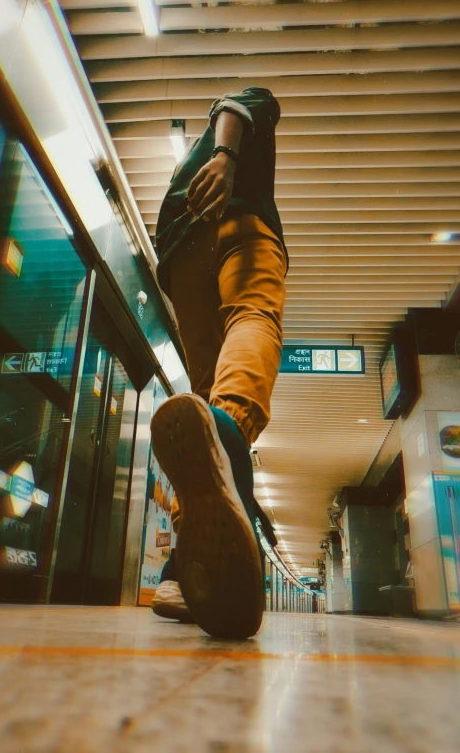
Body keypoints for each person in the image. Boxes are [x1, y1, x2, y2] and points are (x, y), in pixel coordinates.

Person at [150, 87, 287, 638]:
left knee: (205, 392)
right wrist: (228, 157)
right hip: (240, 227)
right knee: (253, 318)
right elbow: (246, 100)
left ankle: (182, 568)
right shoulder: (222, 147)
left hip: (178, 257)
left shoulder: (177, 182)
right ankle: (229, 428)